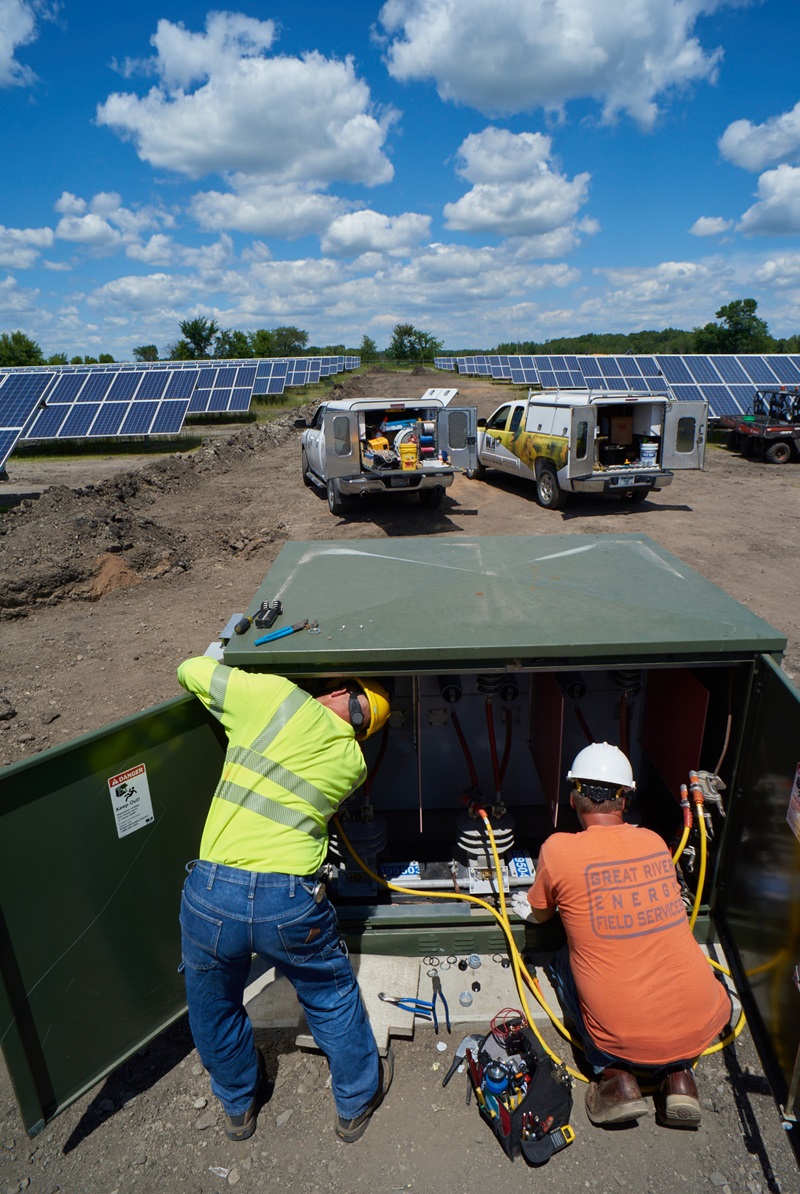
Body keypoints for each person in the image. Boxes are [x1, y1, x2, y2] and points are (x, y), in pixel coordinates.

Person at [176, 656, 392, 1144]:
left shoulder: (271, 695)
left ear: (341, 692)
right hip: (290, 901)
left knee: (213, 1005)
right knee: (329, 996)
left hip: (213, 893)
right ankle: (355, 1103)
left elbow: (189, 670)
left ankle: (238, 1105)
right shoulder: (352, 765)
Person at [512, 742, 731, 1129]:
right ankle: (679, 1078)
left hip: (622, 1037)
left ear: (572, 798)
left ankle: (616, 1079)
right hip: (703, 1018)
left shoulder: (557, 848)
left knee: (565, 959)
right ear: (624, 800)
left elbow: (542, 915)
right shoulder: (653, 842)